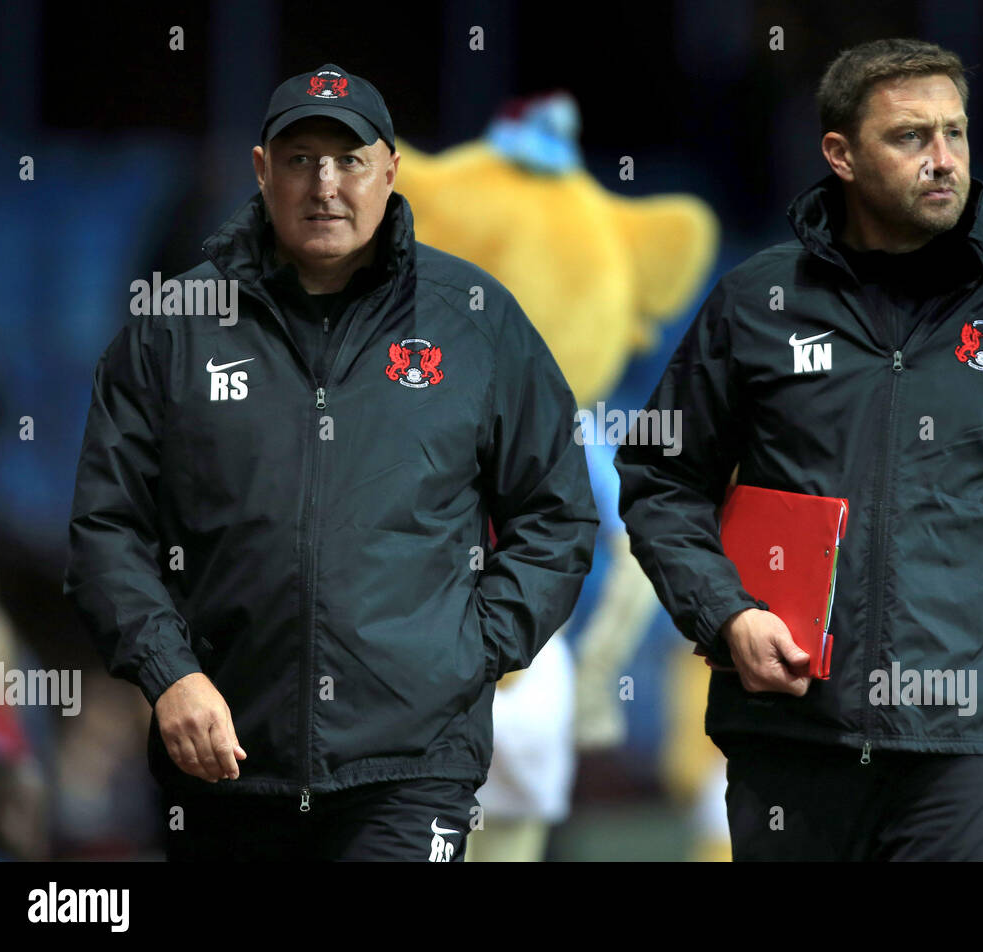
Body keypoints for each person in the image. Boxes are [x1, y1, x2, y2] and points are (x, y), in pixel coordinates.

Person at [614, 38, 983, 861]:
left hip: (969, 744)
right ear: (841, 154)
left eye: (956, 134)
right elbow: (660, 478)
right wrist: (726, 614)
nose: (943, 160)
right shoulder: (756, 302)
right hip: (792, 737)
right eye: (911, 138)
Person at [63, 63, 598, 861]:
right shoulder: (172, 327)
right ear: (260, 170)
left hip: (411, 772)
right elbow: (107, 530)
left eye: (349, 160)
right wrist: (168, 674)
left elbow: (557, 512)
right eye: (300, 159)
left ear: (390, 171)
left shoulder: (476, 322)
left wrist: (468, 650)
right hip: (220, 768)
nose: (325, 185)